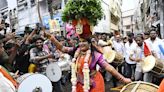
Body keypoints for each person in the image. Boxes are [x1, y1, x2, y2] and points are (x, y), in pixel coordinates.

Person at [44, 30, 131, 92]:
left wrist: (123, 79)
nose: (81, 43)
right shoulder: (76, 51)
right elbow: (62, 48)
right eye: (80, 41)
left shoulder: (96, 55)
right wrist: (52, 38)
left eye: (84, 41)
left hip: (94, 83)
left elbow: (109, 68)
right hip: (79, 83)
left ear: (89, 43)